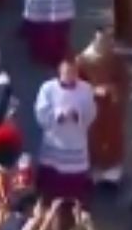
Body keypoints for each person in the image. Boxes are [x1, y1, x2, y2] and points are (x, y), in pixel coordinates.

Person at [33, 58, 96, 202]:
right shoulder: (48, 88)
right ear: (60, 72)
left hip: (76, 139)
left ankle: (75, 201)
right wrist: (59, 115)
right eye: (67, 72)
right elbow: (40, 111)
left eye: (73, 72)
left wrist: (76, 114)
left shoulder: (86, 89)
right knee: (53, 175)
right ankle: (50, 199)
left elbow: (91, 111)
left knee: (75, 178)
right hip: (55, 139)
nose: (70, 75)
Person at [76, 30, 131, 187]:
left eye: (107, 41)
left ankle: (112, 170)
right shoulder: (83, 60)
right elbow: (78, 83)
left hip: (112, 105)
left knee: (113, 136)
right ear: (95, 40)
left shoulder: (116, 59)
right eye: (101, 40)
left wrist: (114, 90)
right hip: (93, 105)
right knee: (93, 136)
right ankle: (95, 169)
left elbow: (124, 80)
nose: (105, 44)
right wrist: (93, 89)